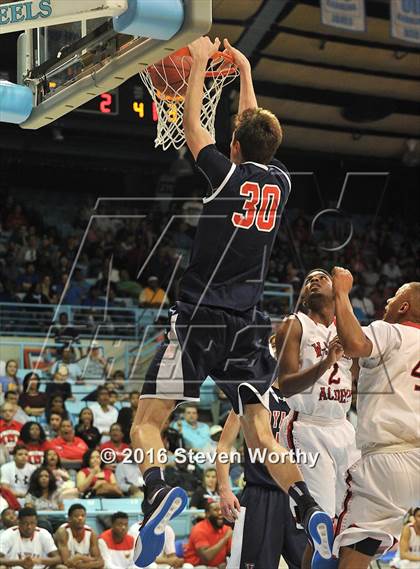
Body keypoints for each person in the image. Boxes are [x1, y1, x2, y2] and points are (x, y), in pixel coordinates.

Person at [131, 36, 333, 569]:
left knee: (148, 420)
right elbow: (253, 127)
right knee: (261, 431)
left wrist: (198, 64)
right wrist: (243, 68)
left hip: (199, 315)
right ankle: (306, 503)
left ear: (235, 148)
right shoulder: (282, 182)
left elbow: (198, 129)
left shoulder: (226, 174)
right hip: (249, 322)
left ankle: (157, 491)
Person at [331, 269, 420, 569]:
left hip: (386, 459)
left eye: (394, 297)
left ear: (404, 307)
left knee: (346, 548)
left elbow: (355, 344)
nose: (387, 301)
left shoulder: (389, 330)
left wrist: (342, 293)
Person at [275, 269, 360, 569]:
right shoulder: (294, 325)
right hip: (307, 426)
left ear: (334, 287)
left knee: (349, 521)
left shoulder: (346, 328)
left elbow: (358, 378)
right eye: (308, 279)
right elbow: (285, 385)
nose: (313, 281)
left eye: (321, 277)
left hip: (344, 427)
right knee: (321, 525)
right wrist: (326, 363)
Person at [217, 380, 306, 569]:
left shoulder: (305, 399)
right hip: (261, 495)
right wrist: (225, 489)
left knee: (310, 563)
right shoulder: (253, 393)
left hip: (299, 496)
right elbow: (224, 445)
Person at [183, 502, 232, 568]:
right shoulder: (199, 529)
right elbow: (206, 558)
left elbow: (231, 553)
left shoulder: (226, 529)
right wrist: (225, 538)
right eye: (215, 510)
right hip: (197, 566)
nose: (220, 513)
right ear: (207, 514)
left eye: (222, 510)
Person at [55, 503, 104, 569]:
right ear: (69, 519)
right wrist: (85, 559)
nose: (80, 518)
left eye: (83, 516)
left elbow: (99, 561)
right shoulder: (63, 532)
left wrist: (79, 558)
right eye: (76, 516)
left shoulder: (91, 534)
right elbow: (66, 562)